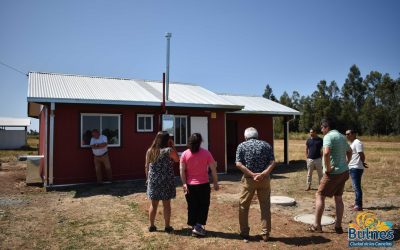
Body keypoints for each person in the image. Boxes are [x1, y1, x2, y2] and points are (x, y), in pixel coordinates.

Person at [309, 119, 352, 234]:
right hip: (343, 172)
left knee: (319, 195)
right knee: (338, 198)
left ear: (326, 127)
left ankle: (317, 225)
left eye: (322, 128)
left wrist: (327, 168)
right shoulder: (342, 137)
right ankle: (338, 226)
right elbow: (350, 151)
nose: (321, 130)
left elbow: (326, 153)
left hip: (332, 174)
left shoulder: (328, 137)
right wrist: (346, 163)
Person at [235, 127, 276, 242]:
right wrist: (263, 174)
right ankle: (265, 233)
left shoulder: (241, 146)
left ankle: (244, 233)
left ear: (245, 137)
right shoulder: (266, 145)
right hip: (264, 180)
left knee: (243, 206)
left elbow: (238, 164)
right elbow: (272, 162)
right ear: (257, 136)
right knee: (265, 206)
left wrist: (252, 175)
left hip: (249, 180)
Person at [180, 133, 219, 237]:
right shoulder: (206, 153)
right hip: (203, 184)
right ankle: (198, 226)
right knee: (203, 205)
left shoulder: (184, 154)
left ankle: (194, 225)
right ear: (201, 142)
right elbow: (213, 169)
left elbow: (182, 170)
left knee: (192, 205)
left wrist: (184, 183)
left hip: (190, 185)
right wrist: (215, 182)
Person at [145, 131, 179, 233]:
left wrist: (148, 179)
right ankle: (167, 227)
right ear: (167, 140)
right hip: (166, 181)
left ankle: (151, 226)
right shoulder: (169, 150)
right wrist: (173, 146)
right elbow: (177, 159)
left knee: (153, 205)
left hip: (153, 181)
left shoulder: (150, 150)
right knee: (166, 204)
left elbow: (146, 166)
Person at [346, 129, 367, 211]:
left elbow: (361, 154)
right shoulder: (352, 143)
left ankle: (358, 205)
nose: (347, 135)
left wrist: (362, 162)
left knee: (356, 186)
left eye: (348, 134)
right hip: (353, 167)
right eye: (346, 134)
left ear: (354, 134)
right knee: (355, 187)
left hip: (356, 168)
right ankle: (356, 203)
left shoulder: (357, 142)